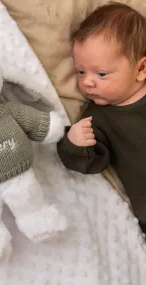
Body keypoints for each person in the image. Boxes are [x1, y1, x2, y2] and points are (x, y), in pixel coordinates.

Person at [57, 2, 146, 234]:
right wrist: (74, 144)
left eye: (101, 74)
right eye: (81, 72)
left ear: (141, 69)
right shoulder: (97, 119)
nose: (87, 82)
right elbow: (90, 163)